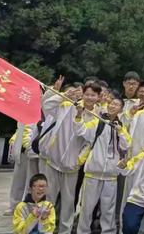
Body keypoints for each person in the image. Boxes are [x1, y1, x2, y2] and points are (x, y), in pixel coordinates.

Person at [43, 81, 101, 234]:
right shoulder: (67, 105)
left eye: (93, 95)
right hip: (53, 160)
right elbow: (47, 107)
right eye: (87, 94)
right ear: (82, 94)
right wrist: (62, 96)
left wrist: (77, 162)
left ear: (98, 97)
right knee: (48, 198)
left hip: (71, 166)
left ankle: (65, 231)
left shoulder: (96, 118)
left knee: (68, 203)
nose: (89, 97)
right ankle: (45, 229)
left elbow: (86, 135)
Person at [74, 96, 131, 234]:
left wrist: (120, 131)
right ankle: (83, 231)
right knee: (87, 207)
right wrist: (79, 114)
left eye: (116, 104)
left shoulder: (122, 126)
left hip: (111, 175)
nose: (112, 106)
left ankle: (109, 231)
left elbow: (127, 144)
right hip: (93, 172)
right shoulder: (97, 121)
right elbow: (81, 131)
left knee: (108, 209)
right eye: (111, 103)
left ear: (121, 109)